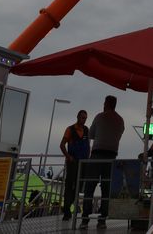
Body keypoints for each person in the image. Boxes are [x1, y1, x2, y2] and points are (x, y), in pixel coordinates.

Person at [80, 96, 124, 229]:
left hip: (97, 155)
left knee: (90, 187)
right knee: (106, 189)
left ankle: (85, 220)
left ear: (106, 104)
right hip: (112, 157)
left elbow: (91, 134)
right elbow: (119, 134)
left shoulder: (99, 117)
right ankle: (102, 220)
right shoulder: (120, 120)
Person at [60, 110, 90, 220]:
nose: (84, 120)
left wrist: (88, 158)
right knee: (69, 185)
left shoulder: (86, 130)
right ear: (77, 117)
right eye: (82, 117)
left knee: (79, 185)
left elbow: (88, 146)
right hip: (73, 162)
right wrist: (68, 156)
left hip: (83, 163)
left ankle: (67, 205)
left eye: (85, 118)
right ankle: (67, 210)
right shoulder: (70, 129)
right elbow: (62, 145)